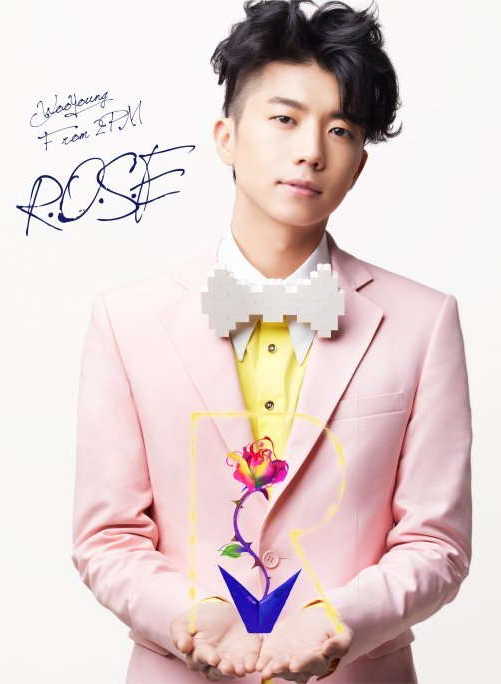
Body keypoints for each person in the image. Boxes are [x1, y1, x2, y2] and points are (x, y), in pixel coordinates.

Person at [71, 1, 472, 682]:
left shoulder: (424, 322)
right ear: (226, 137)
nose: (311, 150)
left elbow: (437, 543)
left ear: (359, 165)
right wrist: (187, 614)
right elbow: (107, 536)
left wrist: (339, 620)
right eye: (285, 118)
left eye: (340, 129)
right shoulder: (125, 319)